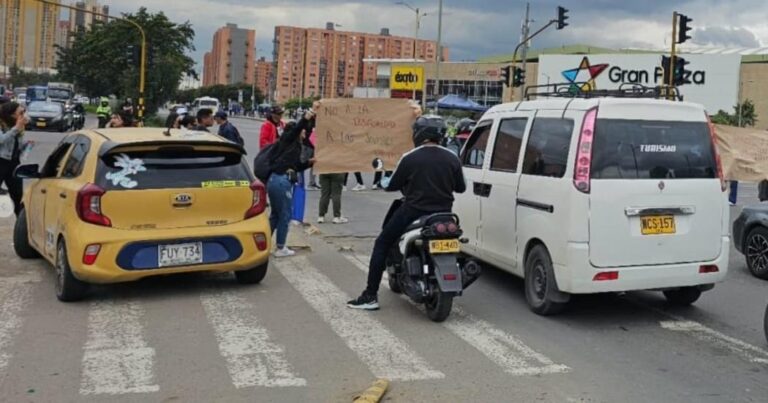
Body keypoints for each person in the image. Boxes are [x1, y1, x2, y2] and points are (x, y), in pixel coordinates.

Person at [347, 115, 466, 310]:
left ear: (419, 133)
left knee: (382, 243)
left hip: (413, 211)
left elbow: (391, 185)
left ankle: (370, 295)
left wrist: (385, 180)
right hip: (444, 215)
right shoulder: (452, 157)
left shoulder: (410, 157)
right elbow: (461, 188)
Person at [268, 112, 316, 257]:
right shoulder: (288, 141)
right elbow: (298, 127)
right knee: (285, 215)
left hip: (275, 181)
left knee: (275, 215)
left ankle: (263, 244)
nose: (305, 133)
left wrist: (309, 163)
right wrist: (307, 116)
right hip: (281, 182)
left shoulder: (292, 147)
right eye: (303, 131)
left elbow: (296, 166)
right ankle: (281, 247)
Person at [0, 102, 30, 216]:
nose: (23, 115)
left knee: (18, 196)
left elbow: (17, 145)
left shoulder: (19, 127)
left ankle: (22, 226)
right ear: (12, 115)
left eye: (24, 112)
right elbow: (1, 140)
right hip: (1, 161)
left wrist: (26, 146)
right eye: (21, 112)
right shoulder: (3, 125)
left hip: (14, 164)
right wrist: (16, 128)